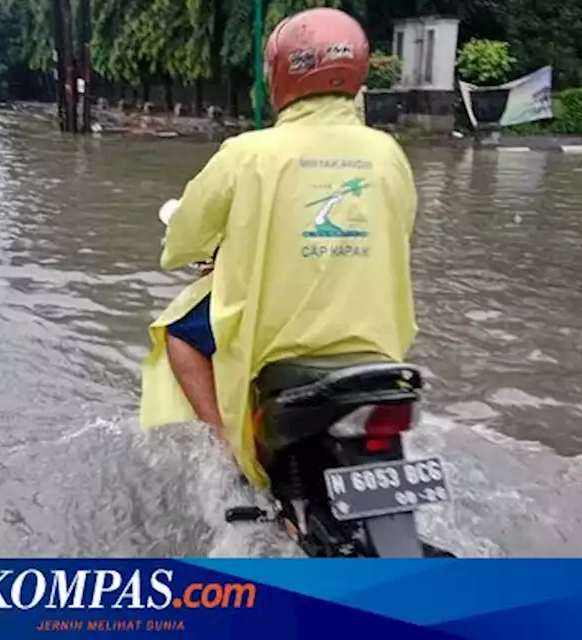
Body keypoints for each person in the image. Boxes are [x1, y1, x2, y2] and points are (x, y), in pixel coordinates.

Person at [138, 8, 418, 489]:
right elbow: (398, 232)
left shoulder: (247, 153)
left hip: (282, 338)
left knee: (179, 334)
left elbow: (183, 241)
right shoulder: (388, 153)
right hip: (375, 342)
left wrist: (207, 251)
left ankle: (227, 447)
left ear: (281, 73)